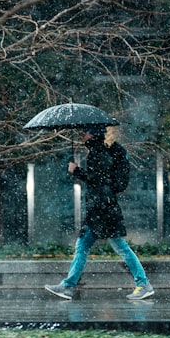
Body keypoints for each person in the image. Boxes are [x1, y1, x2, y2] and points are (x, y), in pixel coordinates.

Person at [44, 125, 155, 301]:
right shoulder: (99, 152)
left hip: (102, 211)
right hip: (103, 209)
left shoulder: (98, 154)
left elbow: (100, 181)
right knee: (94, 246)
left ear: (93, 134)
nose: (82, 135)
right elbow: (102, 181)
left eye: (85, 132)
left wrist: (77, 171)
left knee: (107, 247)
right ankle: (68, 286)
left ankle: (142, 284)